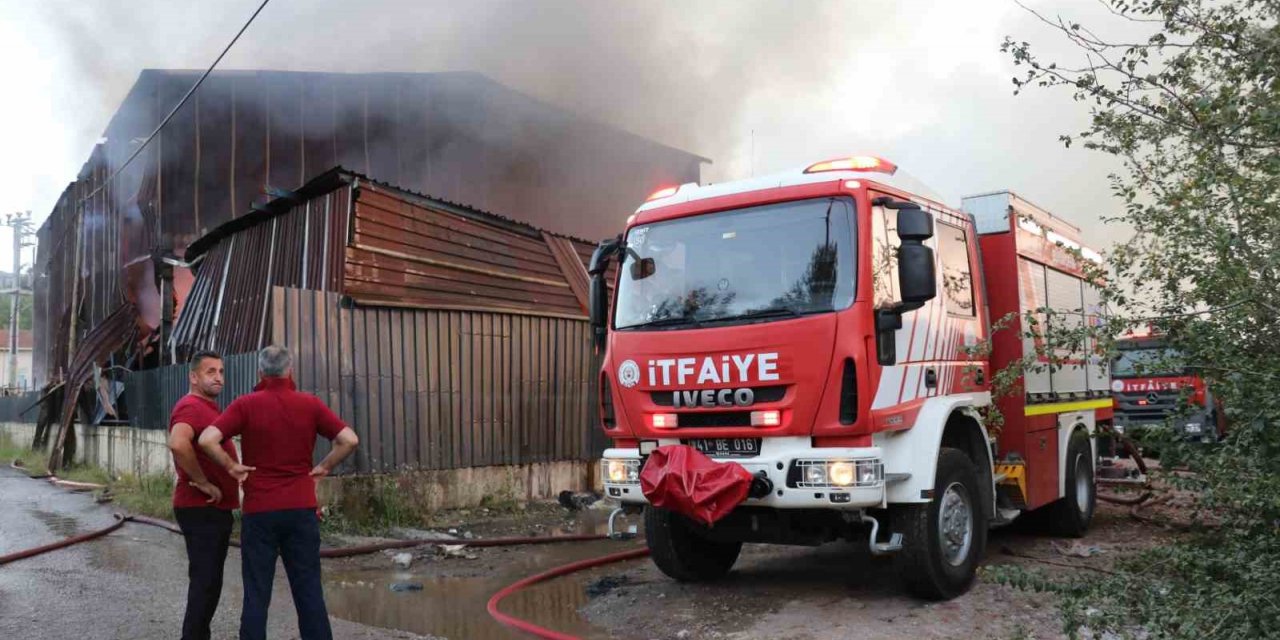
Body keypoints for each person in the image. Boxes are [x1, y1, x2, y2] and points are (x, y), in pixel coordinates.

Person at [197, 345, 359, 640]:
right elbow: (349, 439)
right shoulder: (310, 404)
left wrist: (232, 466)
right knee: (309, 590)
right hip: (301, 509)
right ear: (290, 370)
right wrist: (323, 467)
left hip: (260, 512)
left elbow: (208, 439)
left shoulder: (245, 404)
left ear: (260, 372)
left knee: (257, 593)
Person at [167, 350, 240, 640]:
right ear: (194, 377)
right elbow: (178, 443)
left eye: (221, 371)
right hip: (201, 507)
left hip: (210, 509)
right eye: (211, 372)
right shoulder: (191, 407)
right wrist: (203, 482)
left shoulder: (208, 408)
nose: (219, 377)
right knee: (205, 582)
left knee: (208, 582)